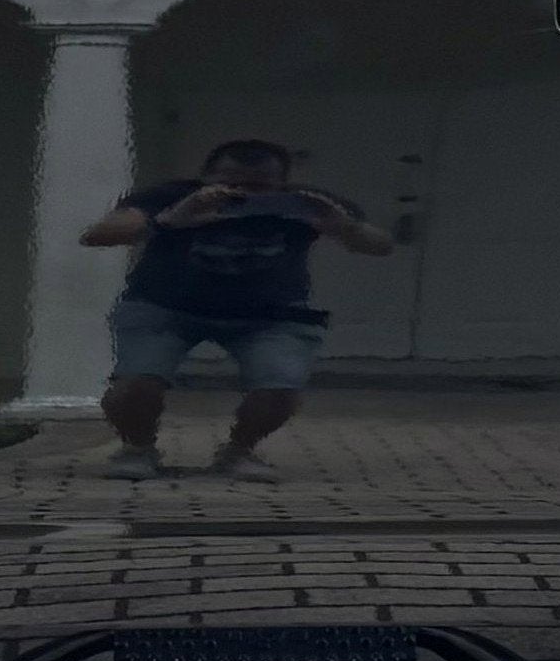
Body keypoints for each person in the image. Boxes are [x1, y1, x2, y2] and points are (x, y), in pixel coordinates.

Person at [81, 137, 395, 478]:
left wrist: (345, 228)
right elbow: (98, 235)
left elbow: (380, 246)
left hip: (269, 316)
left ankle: (238, 451)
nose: (243, 192)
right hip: (166, 307)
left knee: (280, 389)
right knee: (135, 385)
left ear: (281, 184)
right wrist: (171, 218)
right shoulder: (173, 195)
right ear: (206, 177)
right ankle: (138, 448)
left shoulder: (305, 203)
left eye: (259, 186)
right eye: (229, 183)